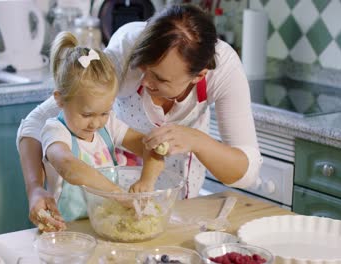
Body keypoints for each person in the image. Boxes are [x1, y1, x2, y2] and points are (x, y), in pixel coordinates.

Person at [17, 4, 262, 230]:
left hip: (176, 203)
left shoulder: (224, 70)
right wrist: (35, 189)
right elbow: (36, 122)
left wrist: (197, 141)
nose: (144, 82)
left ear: (199, 76)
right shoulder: (126, 52)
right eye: (144, 69)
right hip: (110, 201)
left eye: (160, 79)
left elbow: (246, 173)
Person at [23, 31, 165, 231]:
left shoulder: (110, 125)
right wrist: (117, 194)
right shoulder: (55, 130)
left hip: (104, 224)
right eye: (87, 115)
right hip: (66, 229)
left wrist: (146, 181)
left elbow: (152, 149)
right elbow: (68, 166)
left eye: (104, 113)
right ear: (60, 100)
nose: (96, 123)